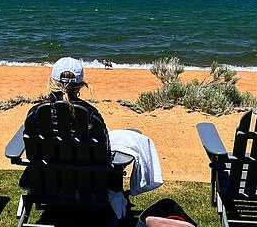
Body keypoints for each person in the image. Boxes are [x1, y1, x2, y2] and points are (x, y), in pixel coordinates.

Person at [29, 57, 163, 197]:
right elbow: (105, 151)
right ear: (81, 85)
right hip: (91, 184)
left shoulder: (35, 115)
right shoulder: (91, 116)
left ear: (52, 82)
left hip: (47, 182)